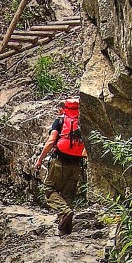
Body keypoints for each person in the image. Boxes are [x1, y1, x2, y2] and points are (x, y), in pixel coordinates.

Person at [34, 98, 86, 235]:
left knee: (49, 189)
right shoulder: (83, 121)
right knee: (68, 196)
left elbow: (51, 141)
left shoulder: (60, 121)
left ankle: (65, 213)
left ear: (63, 109)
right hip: (77, 164)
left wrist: (40, 159)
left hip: (60, 162)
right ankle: (65, 231)